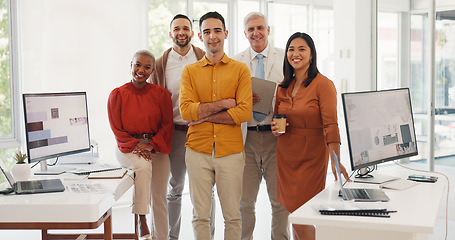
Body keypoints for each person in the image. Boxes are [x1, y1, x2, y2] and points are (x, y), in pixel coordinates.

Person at [179, 11, 252, 240]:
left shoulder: (240, 70)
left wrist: (203, 115)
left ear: (226, 34)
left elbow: (244, 112)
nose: (213, 36)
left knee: (232, 216)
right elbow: (186, 111)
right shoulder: (189, 72)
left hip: (230, 152)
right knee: (200, 216)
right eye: (207, 32)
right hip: (197, 150)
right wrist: (223, 105)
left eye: (217, 30)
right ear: (200, 36)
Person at [271, 32, 349, 240]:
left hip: (311, 156)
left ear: (312, 55)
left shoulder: (324, 84)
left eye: (301, 49)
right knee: (294, 214)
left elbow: (331, 125)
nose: (295, 54)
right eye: (291, 49)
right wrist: (275, 127)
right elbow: (278, 119)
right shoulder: (282, 87)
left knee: (301, 217)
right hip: (286, 156)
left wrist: (336, 161)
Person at [150, 14, 215, 240]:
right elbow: (151, 100)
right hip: (175, 134)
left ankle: (207, 236)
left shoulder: (203, 57)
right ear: (170, 33)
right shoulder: (160, 64)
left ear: (192, 33)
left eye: (185, 28)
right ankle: (171, 237)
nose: (181, 32)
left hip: (202, 131)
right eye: (176, 28)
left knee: (206, 191)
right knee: (174, 190)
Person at [232, 12, 290, 240]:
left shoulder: (285, 58)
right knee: (244, 202)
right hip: (247, 139)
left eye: (260, 28)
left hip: (277, 138)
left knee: (279, 201)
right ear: (245, 33)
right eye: (250, 29)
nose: (256, 33)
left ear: (268, 29)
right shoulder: (236, 61)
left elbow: (293, 95)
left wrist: (282, 120)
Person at [107, 50, 173, 240]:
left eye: (146, 67)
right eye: (138, 65)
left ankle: (161, 237)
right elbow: (116, 128)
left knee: (160, 197)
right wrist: (137, 145)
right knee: (143, 166)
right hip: (127, 146)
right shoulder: (118, 94)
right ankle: (141, 218)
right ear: (131, 65)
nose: (141, 70)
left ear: (152, 70)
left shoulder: (161, 94)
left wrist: (151, 145)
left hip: (156, 145)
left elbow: (167, 125)